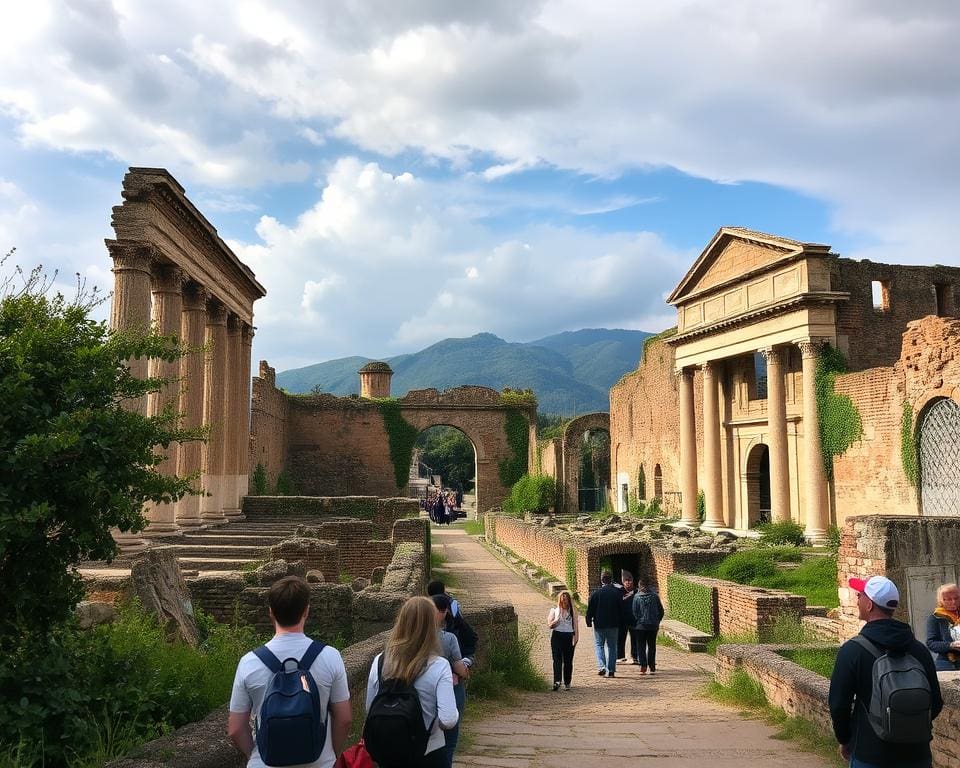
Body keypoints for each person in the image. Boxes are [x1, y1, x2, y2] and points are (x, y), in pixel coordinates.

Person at [228, 576, 352, 768]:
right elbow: (344, 719)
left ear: (271, 612)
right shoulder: (330, 657)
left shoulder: (249, 662)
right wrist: (329, 754)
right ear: (306, 611)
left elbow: (236, 729)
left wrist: (257, 756)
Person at [828, 575, 943, 768]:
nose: (857, 599)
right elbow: (936, 702)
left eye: (860, 596)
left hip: (870, 753)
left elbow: (839, 704)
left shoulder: (852, 651)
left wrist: (846, 740)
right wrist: (907, 725)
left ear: (870, 605)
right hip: (917, 755)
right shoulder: (918, 650)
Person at [365, 596, 459, 768]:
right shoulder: (439, 665)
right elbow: (448, 720)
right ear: (432, 626)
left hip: (388, 753)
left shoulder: (380, 661)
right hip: (429, 752)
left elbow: (370, 708)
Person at [431, 594, 470, 768]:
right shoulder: (448, 638)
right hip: (450, 689)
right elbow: (460, 668)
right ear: (446, 610)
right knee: (449, 741)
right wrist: (466, 671)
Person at [585, 570, 621, 678]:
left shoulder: (596, 594)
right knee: (612, 647)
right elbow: (621, 609)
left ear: (601, 580)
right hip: (613, 624)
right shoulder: (617, 593)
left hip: (599, 624)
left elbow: (590, 609)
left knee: (599, 645)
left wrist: (588, 621)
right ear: (611, 580)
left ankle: (602, 666)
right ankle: (611, 670)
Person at [547, 590, 579, 690]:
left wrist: (576, 638)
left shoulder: (572, 611)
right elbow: (550, 625)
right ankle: (557, 681)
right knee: (557, 659)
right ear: (559, 600)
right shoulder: (554, 611)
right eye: (562, 599)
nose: (564, 601)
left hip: (568, 636)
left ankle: (567, 682)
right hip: (557, 636)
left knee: (568, 661)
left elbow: (576, 626)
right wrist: (556, 620)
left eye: (566, 599)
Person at [632, 579, 664, 674]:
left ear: (639, 586)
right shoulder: (655, 596)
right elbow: (661, 611)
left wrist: (638, 620)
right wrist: (657, 621)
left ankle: (643, 665)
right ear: (648, 585)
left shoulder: (636, 597)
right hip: (653, 625)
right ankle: (652, 665)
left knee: (641, 646)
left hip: (640, 626)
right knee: (652, 646)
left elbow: (634, 611)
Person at [926, 582, 960, 671]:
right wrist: (951, 645)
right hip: (947, 665)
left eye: (956, 598)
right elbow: (931, 643)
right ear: (941, 600)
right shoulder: (936, 617)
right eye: (948, 599)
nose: (953, 602)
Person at [616, 570, 638, 663]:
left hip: (634, 619)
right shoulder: (619, 592)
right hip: (622, 620)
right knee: (620, 638)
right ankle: (620, 656)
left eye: (629, 580)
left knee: (635, 638)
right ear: (623, 582)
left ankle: (634, 656)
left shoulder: (636, 591)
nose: (628, 582)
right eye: (626, 581)